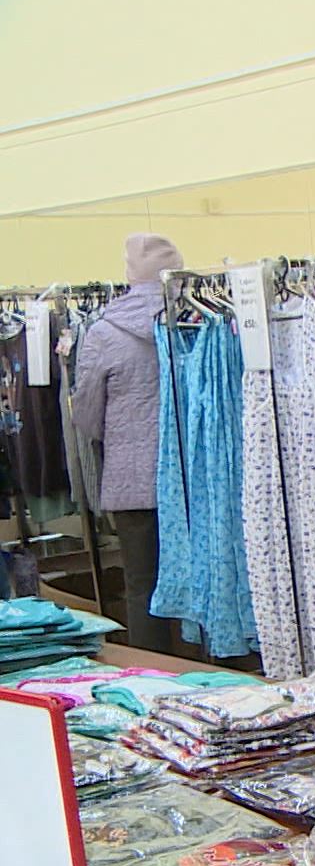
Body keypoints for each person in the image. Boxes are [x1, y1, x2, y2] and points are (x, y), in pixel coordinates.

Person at [74, 233, 183, 652]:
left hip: (131, 481)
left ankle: (155, 672)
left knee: (141, 584)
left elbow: (85, 415)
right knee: (204, 574)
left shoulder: (103, 332)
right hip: (191, 479)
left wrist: (118, 438)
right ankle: (215, 669)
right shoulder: (196, 320)